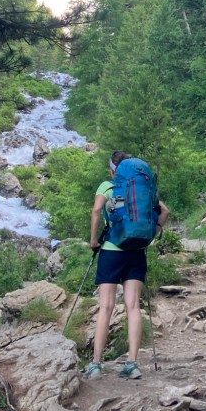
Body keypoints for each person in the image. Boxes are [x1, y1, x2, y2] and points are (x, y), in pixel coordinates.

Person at [84, 150, 169, 380]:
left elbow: (96, 210)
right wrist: (152, 234)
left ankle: (96, 365)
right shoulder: (142, 188)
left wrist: (93, 240)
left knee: (106, 306)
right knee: (133, 307)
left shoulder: (109, 186)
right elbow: (164, 212)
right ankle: (132, 364)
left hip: (112, 251)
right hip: (137, 252)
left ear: (114, 169)